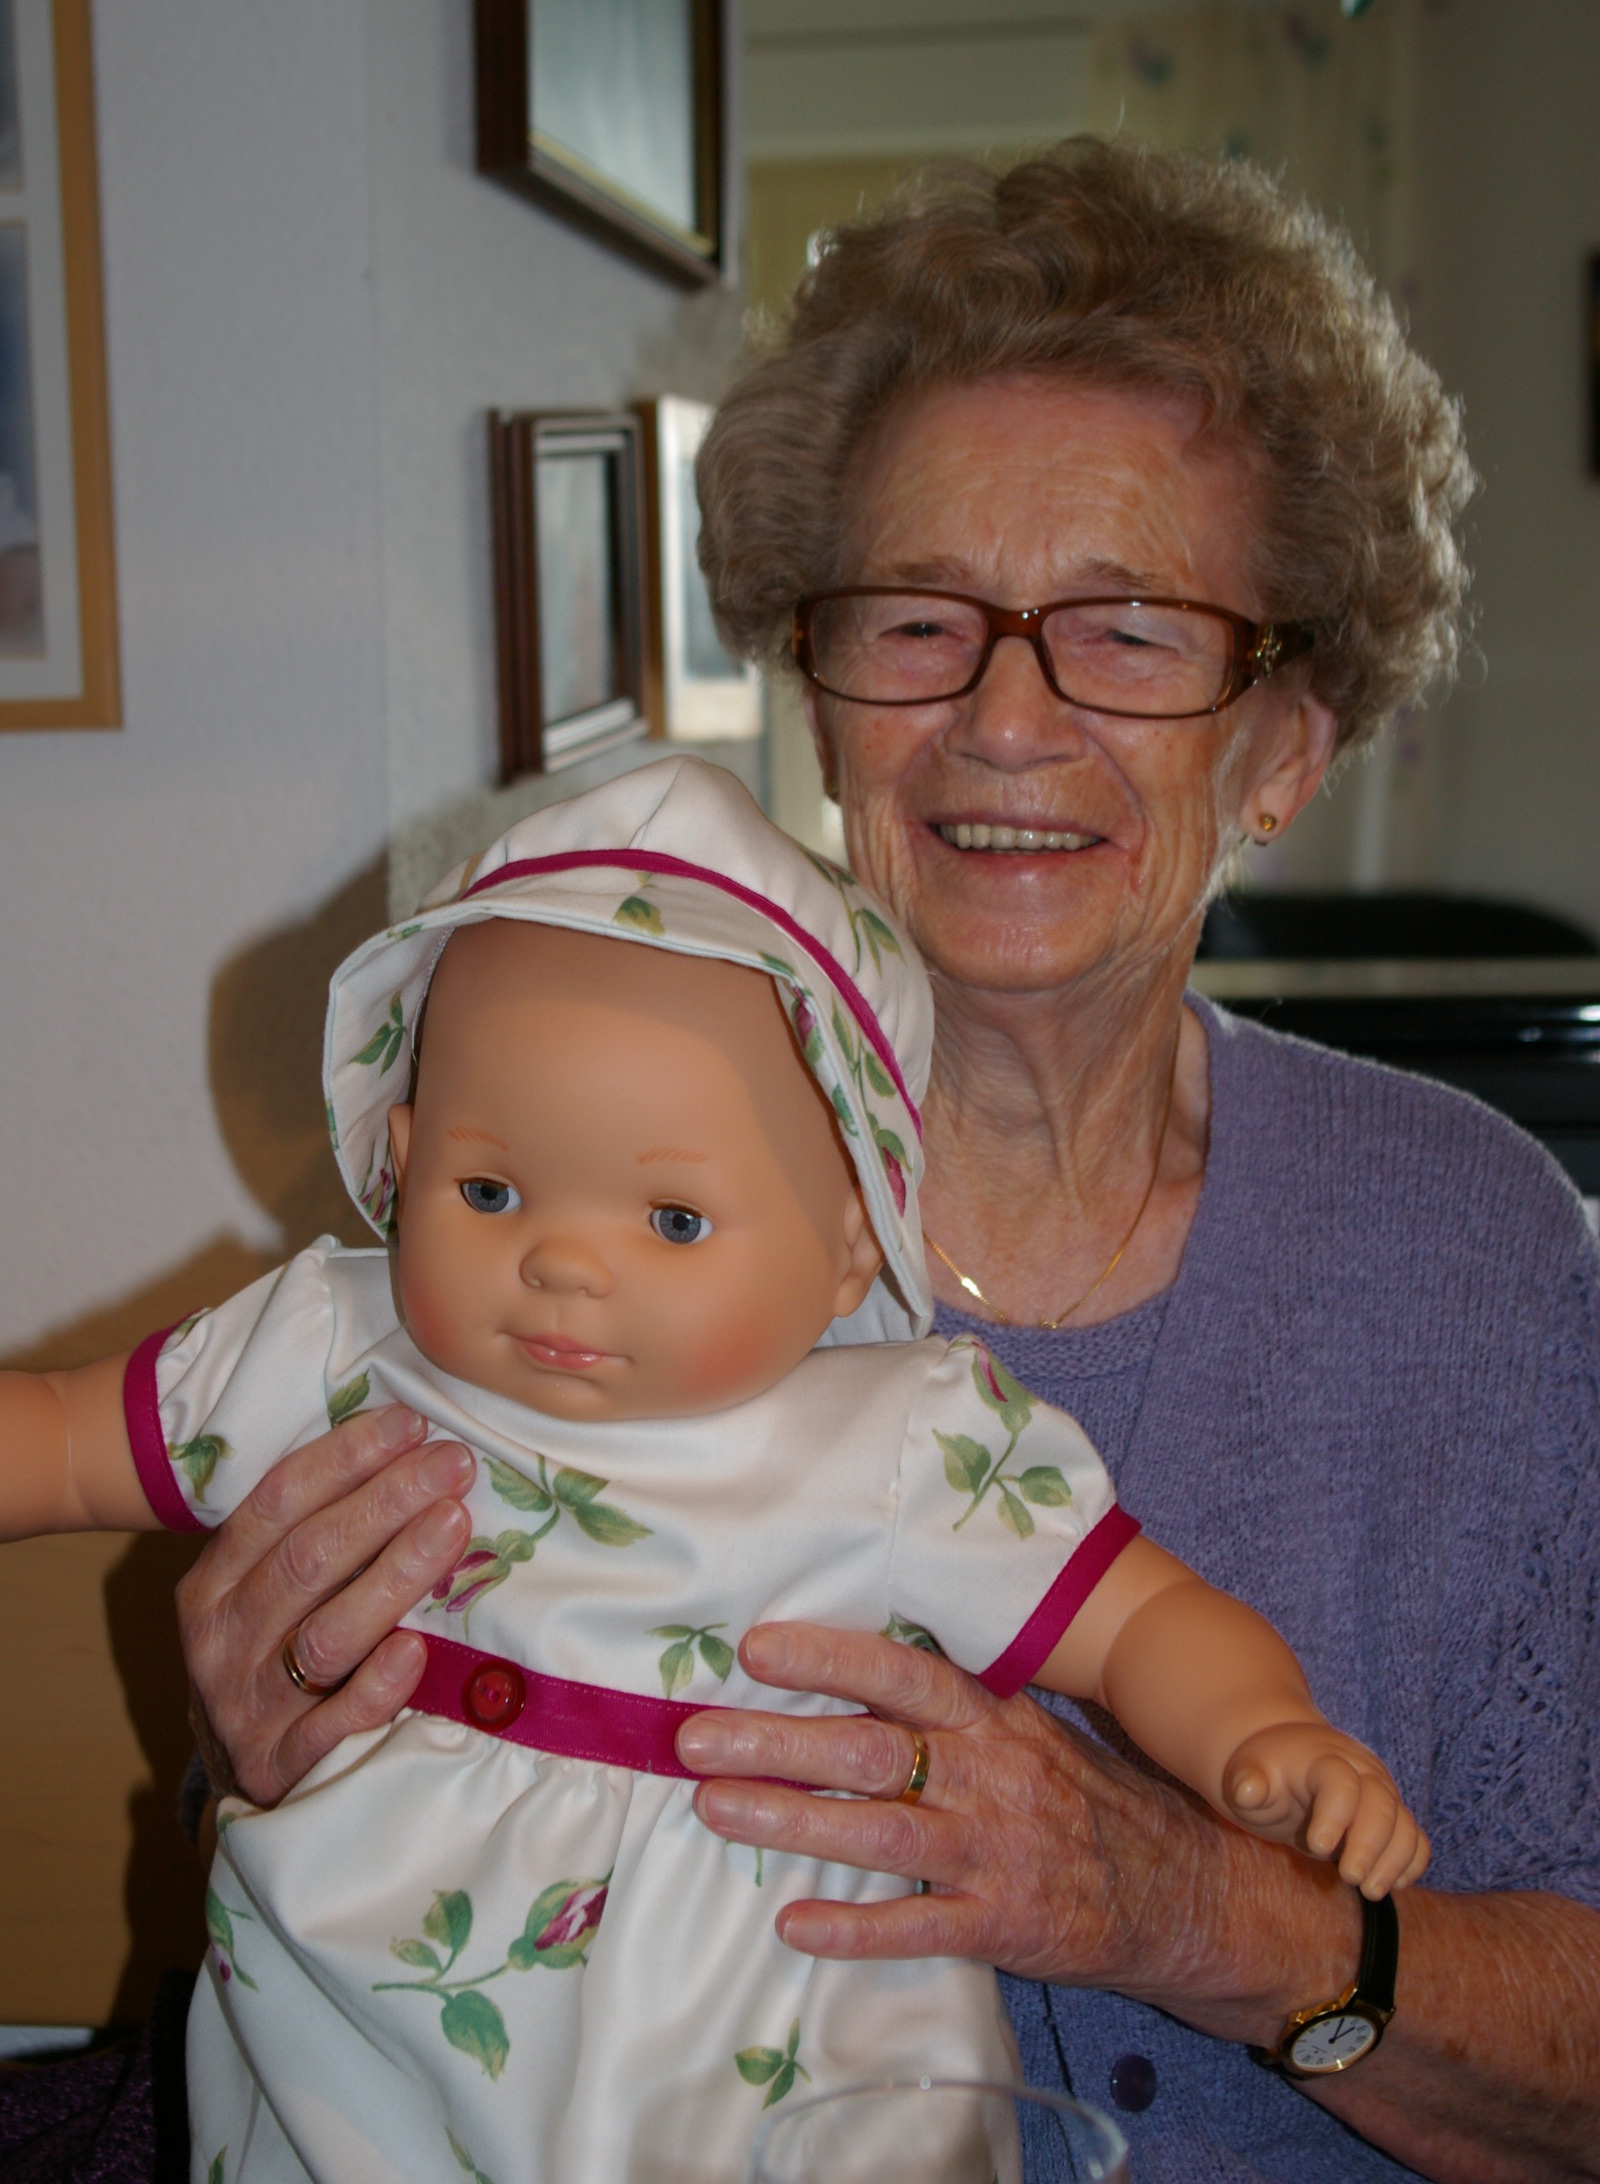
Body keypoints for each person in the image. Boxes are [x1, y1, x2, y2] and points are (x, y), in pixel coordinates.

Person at [172, 143, 1600, 2184]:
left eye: (1127, 632)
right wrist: (257, 1747)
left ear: (1283, 744)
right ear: (823, 704)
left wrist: (1205, 1916)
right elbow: (341, 1928)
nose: (1004, 718)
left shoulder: (1478, 1256)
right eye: (919, 623)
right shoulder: (551, 1195)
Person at [3, 757, 1424, 2184]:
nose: (564, 1261)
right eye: (490, 1191)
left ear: (853, 1243)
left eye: (673, 1220)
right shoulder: (333, 1346)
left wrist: (1261, 1729)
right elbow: (61, 1442)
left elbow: (1138, 1621)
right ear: (405, 1154)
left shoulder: (899, 1446)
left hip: (759, 2055)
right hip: (369, 2051)